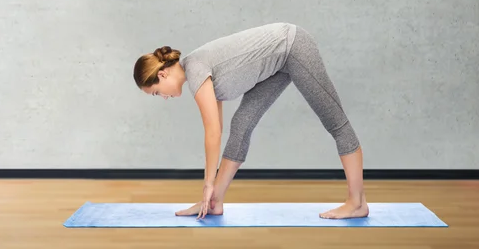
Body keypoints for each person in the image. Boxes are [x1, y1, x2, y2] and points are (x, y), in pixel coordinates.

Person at [133, 23, 368, 220]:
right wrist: (210, 190)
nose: (163, 98)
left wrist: (207, 184)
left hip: (292, 46)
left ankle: (357, 203)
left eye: (156, 92)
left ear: (162, 75)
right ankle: (215, 202)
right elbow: (220, 127)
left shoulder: (194, 70)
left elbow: (212, 133)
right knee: (241, 125)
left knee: (335, 122)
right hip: (279, 64)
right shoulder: (196, 71)